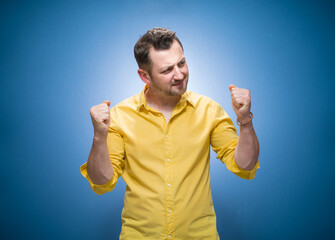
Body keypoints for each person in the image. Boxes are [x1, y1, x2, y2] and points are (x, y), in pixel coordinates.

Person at [80, 27, 260, 240]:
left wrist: (245, 121)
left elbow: (244, 166)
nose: (179, 74)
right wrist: (99, 136)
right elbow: (102, 182)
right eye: (167, 70)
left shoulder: (209, 110)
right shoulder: (120, 117)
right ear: (144, 75)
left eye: (181, 63)